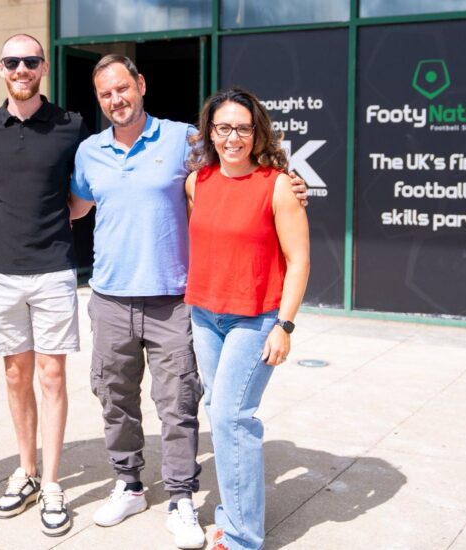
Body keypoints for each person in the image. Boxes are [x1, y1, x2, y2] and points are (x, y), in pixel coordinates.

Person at [68, 56, 308, 550]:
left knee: (178, 404)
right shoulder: (89, 152)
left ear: (141, 85)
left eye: (123, 89)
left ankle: (180, 497)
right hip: (111, 296)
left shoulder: (184, 140)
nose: (117, 100)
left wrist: (291, 182)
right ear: (98, 99)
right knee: (114, 398)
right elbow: (74, 205)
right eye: (105, 93)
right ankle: (129, 484)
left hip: (175, 298)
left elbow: (240, 161)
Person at [183, 87, 310, 550]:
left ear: (257, 131)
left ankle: (241, 538)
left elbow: (298, 260)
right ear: (210, 132)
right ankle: (234, 513)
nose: (232, 137)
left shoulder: (278, 184)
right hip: (205, 315)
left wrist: (286, 325)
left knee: (235, 417)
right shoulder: (198, 182)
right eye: (223, 128)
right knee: (222, 415)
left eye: (241, 127)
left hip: (255, 319)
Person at [0, 33, 87, 537]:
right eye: (13, 61)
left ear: (43, 67)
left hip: (54, 270)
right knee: (16, 375)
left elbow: (83, 196)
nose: (23, 69)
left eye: (31, 61)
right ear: (0, 68)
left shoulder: (71, 125)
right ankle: (27, 470)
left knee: (52, 376)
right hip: (2, 272)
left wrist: (57, 221)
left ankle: (55, 481)